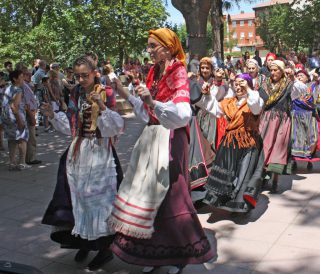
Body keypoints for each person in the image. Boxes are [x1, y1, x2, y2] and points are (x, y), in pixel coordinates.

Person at [108, 28, 215, 274]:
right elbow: (146, 111)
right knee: (150, 197)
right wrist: (133, 95)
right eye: (148, 46)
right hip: (152, 137)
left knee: (172, 196)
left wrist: (152, 102)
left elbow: (183, 114)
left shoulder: (177, 71)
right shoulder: (154, 71)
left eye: (152, 46)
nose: (149, 51)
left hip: (170, 138)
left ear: (167, 47)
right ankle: (155, 255)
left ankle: (180, 254)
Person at [41, 55, 124, 271]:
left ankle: (104, 249)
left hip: (99, 152)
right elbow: (72, 125)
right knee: (78, 199)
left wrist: (102, 108)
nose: (80, 79)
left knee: (100, 202)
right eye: (77, 76)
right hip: (79, 151)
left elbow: (116, 127)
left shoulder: (105, 92)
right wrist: (52, 116)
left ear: (95, 73)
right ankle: (85, 241)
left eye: (84, 75)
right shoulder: (76, 92)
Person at [197, 73, 264, 212]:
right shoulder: (228, 102)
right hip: (229, 143)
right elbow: (215, 110)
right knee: (227, 174)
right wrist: (208, 94)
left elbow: (255, 107)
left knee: (243, 174)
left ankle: (240, 205)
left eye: (242, 83)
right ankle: (222, 200)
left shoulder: (255, 98)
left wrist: (250, 90)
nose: (238, 86)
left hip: (248, 143)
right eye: (236, 83)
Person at [258, 60, 294, 193]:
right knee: (264, 147)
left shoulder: (289, 84)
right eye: (271, 70)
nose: (273, 73)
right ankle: (261, 178)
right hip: (266, 119)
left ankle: (275, 180)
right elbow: (260, 100)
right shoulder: (264, 84)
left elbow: (296, 95)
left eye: (276, 70)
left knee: (278, 149)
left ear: (282, 70)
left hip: (282, 120)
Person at [1, 70, 30, 171]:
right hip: (15, 117)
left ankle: (12, 162)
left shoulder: (7, 88)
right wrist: (20, 120)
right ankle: (22, 163)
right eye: (21, 77)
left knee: (11, 140)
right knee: (22, 139)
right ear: (15, 79)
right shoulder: (18, 90)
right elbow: (14, 106)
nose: (23, 79)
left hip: (6, 117)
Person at [21, 67, 41, 165]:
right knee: (31, 137)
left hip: (31, 113)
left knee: (31, 137)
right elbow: (26, 104)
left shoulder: (27, 85)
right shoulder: (23, 86)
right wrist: (32, 116)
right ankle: (30, 158)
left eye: (30, 74)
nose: (30, 76)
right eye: (27, 74)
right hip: (29, 114)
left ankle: (29, 157)